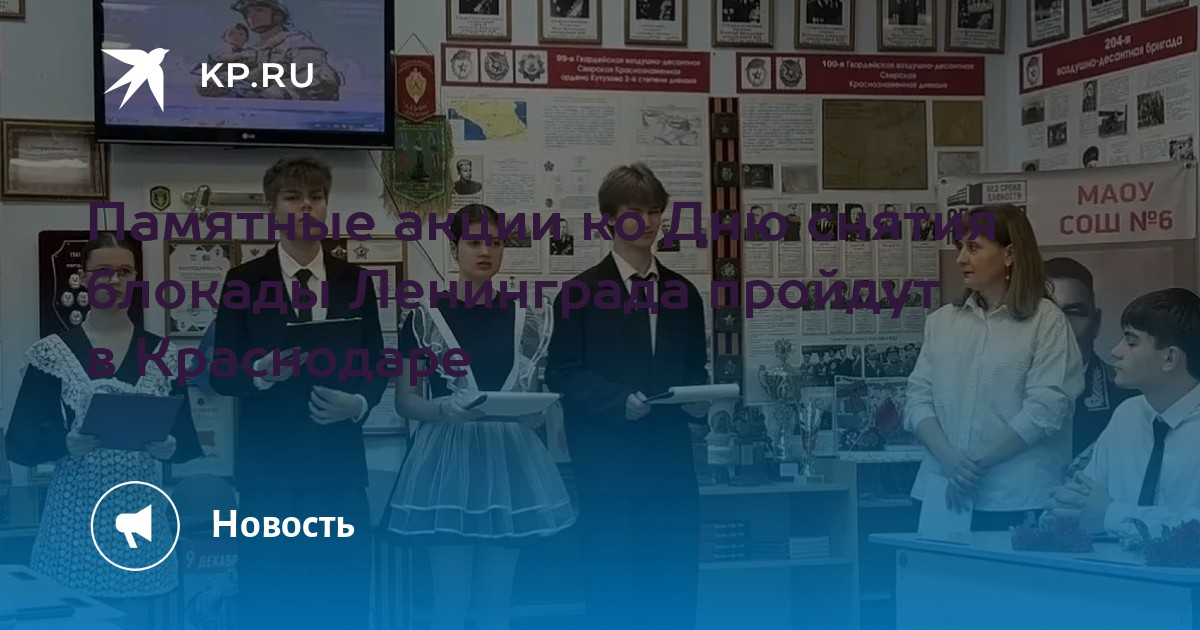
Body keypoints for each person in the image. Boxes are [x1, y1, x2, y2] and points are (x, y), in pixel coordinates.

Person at [209, 156, 388, 630]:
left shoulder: (357, 281)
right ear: (272, 208)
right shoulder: (243, 282)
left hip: (339, 469)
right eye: (292, 197)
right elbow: (221, 373)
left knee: (343, 598)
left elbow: (377, 363)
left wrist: (361, 403)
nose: (305, 206)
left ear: (327, 205)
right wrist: (260, 373)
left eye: (315, 196)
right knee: (271, 599)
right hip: (270, 475)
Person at [384, 203, 575, 630]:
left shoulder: (529, 316)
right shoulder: (423, 317)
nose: (485, 251)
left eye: (494, 242)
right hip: (447, 462)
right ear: (454, 248)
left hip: (510, 460)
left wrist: (536, 410)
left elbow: (532, 399)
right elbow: (405, 400)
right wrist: (442, 409)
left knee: (497, 603)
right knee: (450, 602)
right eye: (473, 242)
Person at [5, 233, 203, 629]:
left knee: (138, 620)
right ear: (83, 278)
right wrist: (65, 442)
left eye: (125, 271)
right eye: (103, 271)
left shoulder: (163, 354)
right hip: (74, 520)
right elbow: (19, 442)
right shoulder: (52, 353)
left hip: (139, 515)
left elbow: (185, 440)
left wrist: (170, 446)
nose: (115, 280)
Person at [545, 163, 710, 630]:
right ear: (610, 220)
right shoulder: (578, 294)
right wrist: (616, 400)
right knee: (613, 595)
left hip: (671, 470)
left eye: (656, 211)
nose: (650, 222)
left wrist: (698, 403)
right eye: (637, 212)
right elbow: (562, 374)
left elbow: (694, 370)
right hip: (609, 470)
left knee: (675, 594)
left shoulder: (684, 293)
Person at [904, 204, 1085, 531]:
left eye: (973, 248)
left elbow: (1046, 409)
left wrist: (972, 464)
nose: (961, 259)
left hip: (1015, 500)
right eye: (960, 247)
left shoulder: (1047, 322)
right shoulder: (942, 322)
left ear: (1010, 254)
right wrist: (951, 461)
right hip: (941, 493)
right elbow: (918, 400)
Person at [1047, 289, 1200, 535]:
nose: (1115, 351)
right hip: (1111, 558)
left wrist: (1113, 515)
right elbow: (1084, 496)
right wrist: (1065, 503)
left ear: (1170, 358)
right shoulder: (1128, 414)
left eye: (1131, 342)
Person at [1044, 257, 1137, 459]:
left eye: (1073, 313)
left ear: (1096, 323)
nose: (1060, 327)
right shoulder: (1002, 397)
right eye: (1045, 314)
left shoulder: (1132, 398)